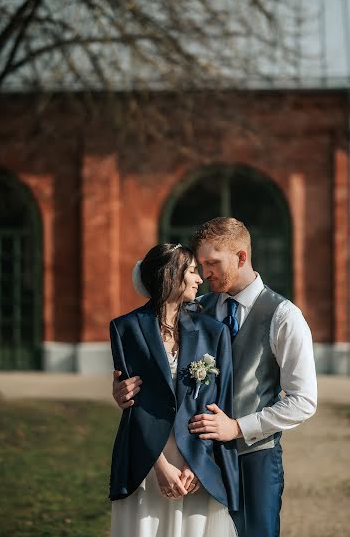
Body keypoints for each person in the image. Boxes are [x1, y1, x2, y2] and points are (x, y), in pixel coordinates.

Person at [113, 218, 318, 537]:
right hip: (195, 453)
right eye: (200, 265)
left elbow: (303, 401)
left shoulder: (284, 317)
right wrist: (123, 389)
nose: (205, 274)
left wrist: (237, 427)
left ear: (241, 257)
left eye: (212, 263)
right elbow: (156, 361)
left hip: (253, 457)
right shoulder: (195, 309)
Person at [109, 243, 239, 537]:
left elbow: (218, 405)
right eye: (192, 271)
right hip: (147, 459)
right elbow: (134, 404)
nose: (199, 279)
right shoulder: (126, 328)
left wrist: (196, 462)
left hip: (196, 460)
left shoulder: (213, 333)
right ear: (170, 276)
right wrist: (160, 466)